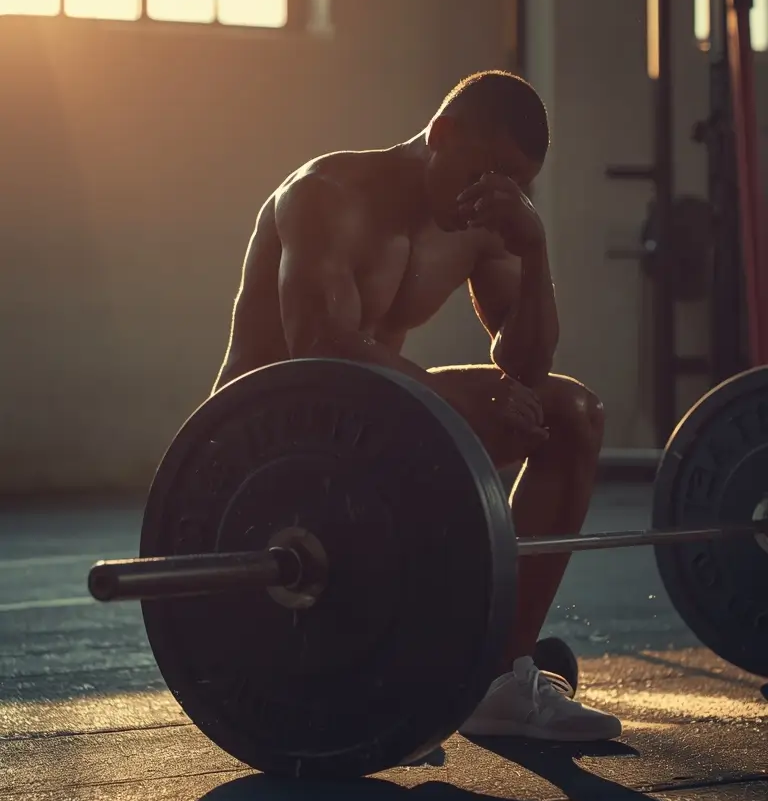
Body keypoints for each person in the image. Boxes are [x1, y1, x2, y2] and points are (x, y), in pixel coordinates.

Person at [213, 70, 621, 742]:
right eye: (490, 169)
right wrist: (445, 395)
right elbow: (318, 351)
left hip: (366, 425)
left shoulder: (484, 221)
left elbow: (526, 366)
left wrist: (534, 244)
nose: (499, 193)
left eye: (517, 182)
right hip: (259, 449)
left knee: (572, 416)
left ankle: (500, 678)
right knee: (442, 400)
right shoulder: (325, 196)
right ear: (442, 135)